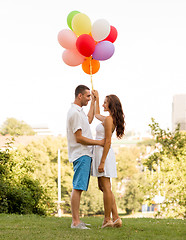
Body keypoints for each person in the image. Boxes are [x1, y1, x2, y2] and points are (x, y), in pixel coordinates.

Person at [66, 85, 104, 230]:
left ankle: (77, 221)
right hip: (81, 153)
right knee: (78, 187)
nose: (89, 99)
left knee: (79, 187)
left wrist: (94, 101)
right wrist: (98, 142)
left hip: (85, 154)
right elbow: (79, 138)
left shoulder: (79, 112)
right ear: (79, 96)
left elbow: (89, 119)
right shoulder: (74, 113)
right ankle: (75, 222)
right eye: (88, 96)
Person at [91, 90, 125, 228]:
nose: (104, 104)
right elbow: (96, 114)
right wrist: (97, 100)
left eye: (105, 102)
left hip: (103, 153)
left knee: (105, 187)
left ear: (111, 105)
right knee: (104, 187)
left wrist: (102, 161)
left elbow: (108, 141)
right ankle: (116, 217)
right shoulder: (107, 118)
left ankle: (107, 219)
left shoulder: (109, 120)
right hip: (101, 152)